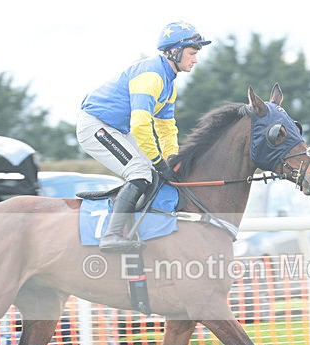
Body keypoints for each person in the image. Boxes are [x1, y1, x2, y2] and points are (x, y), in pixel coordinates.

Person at [77, 21, 211, 252]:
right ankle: (112, 235)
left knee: (151, 172)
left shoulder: (169, 84)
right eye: (191, 53)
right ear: (175, 51)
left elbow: (167, 128)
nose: (195, 59)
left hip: (116, 129)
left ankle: (136, 225)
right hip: (95, 126)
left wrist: (172, 160)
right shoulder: (152, 76)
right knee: (140, 172)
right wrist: (159, 161)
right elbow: (140, 125)